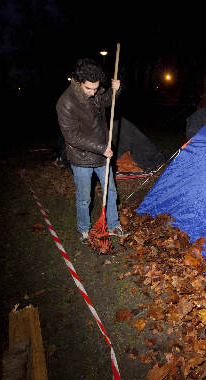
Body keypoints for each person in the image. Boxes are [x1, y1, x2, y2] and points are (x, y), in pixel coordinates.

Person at [56, 58, 128, 244]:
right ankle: (84, 229)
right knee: (84, 197)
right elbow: (72, 137)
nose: (93, 92)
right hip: (81, 157)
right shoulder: (65, 103)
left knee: (111, 191)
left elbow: (105, 101)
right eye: (88, 88)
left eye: (96, 88)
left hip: (103, 153)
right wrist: (101, 148)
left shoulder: (94, 92)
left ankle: (112, 225)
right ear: (78, 82)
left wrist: (115, 90)